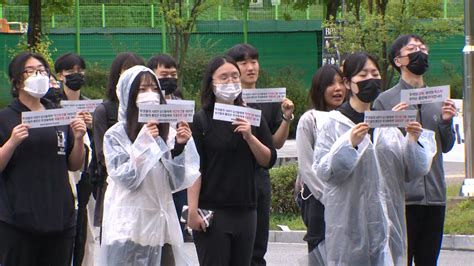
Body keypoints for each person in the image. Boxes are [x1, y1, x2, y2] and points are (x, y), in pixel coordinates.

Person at [312, 52, 436, 265]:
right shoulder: (333, 123)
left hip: (388, 225)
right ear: (347, 82)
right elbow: (325, 172)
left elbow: (413, 170)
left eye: (375, 73)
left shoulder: (385, 124)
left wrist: (413, 140)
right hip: (348, 227)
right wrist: (349, 144)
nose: (370, 79)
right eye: (363, 74)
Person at [98, 65, 200, 265]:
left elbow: (176, 182)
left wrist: (179, 147)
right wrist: (144, 143)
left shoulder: (167, 131)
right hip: (129, 227)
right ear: (129, 93)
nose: (150, 95)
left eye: (154, 89)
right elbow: (127, 179)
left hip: (161, 227)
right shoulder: (116, 135)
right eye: (143, 89)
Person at [373, 34, 457, 266]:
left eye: (423, 48)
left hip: (435, 196)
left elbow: (447, 146)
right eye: (412, 49)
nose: (420, 52)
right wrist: (395, 124)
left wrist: (446, 122)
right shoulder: (385, 101)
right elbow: (381, 151)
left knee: (429, 261)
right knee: (400, 260)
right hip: (403, 198)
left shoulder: (439, 99)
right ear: (397, 60)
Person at [187, 55, 277, 265]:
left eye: (235, 77)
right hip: (213, 211)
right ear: (211, 83)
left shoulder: (252, 117)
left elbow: (268, 160)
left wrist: (250, 137)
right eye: (224, 78)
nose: (230, 82)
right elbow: (194, 169)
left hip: (246, 209)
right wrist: (192, 211)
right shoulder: (201, 120)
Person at [0, 52, 86, 265]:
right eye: (31, 71)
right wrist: (12, 142)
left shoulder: (58, 115)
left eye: (42, 70)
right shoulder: (5, 118)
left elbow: (74, 164)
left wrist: (78, 138)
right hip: (18, 221)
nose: (38, 75)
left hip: (60, 219)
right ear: (17, 80)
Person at [226, 44, 294, 266]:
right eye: (243, 63)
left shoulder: (272, 99)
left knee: (257, 245)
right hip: (231, 180)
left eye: (254, 61)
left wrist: (286, 117)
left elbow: (276, 143)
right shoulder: (226, 102)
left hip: (259, 178)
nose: (250, 67)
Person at [295, 64, 346, 253]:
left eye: (341, 83)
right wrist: (329, 197)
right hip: (319, 200)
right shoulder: (309, 120)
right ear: (319, 89)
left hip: (348, 198)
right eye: (331, 84)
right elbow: (307, 167)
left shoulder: (351, 119)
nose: (338, 88)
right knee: (320, 252)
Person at [92, 52, 145, 231]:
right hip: (117, 188)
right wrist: (136, 161)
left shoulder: (148, 110)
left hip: (147, 192)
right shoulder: (104, 111)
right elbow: (102, 155)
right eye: (126, 71)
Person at [54, 52, 97, 266]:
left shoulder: (90, 105)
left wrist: (92, 126)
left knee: (83, 229)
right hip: (62, 172)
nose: (76, 75)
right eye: (70, 71)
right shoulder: (52, 105)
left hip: (85, 175)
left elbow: (101, 143)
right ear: (60, 76)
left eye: (79, 71)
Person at [147, 54, 191, 241]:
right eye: (164, 74)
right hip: (152, 170)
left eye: (173, 75)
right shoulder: (146, 105)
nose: (170, 79)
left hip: (177, 165)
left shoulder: (179, 100)